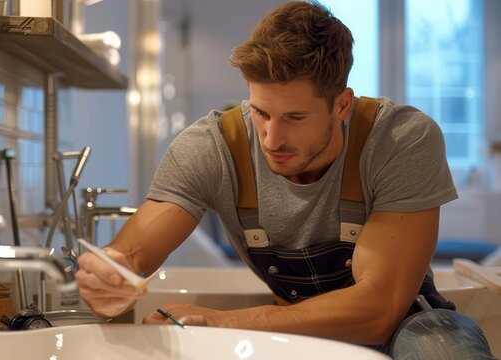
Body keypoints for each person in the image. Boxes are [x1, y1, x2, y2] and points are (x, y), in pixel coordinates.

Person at [75, 1, 495, 359]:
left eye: (295, 117)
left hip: (411, 327)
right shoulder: (211, 147)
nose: (271, 139)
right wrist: (111, 274)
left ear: (342, 105)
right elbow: (132, 253)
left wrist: (223, 322)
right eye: (260, 112)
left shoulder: (401, 140)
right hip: (293, 329)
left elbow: (379, 310)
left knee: (441, 346)